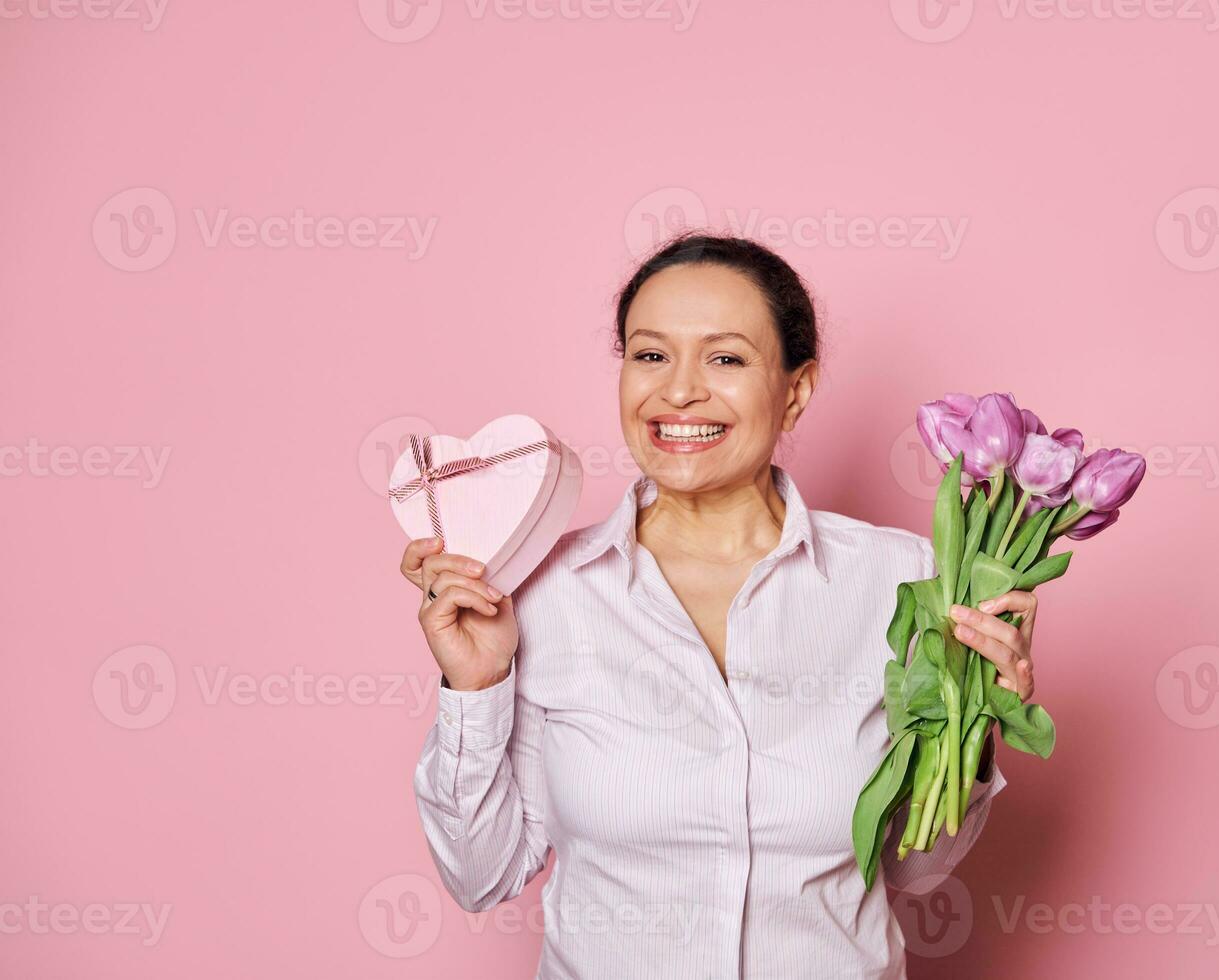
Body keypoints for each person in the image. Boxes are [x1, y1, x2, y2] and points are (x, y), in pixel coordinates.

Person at [401, 233, 1040, 978]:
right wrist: (472, 689)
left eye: (725, 358)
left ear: (794, 391)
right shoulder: (542, 592)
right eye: (649, 356)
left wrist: (976, 719)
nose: (677, 391)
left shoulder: (906, 581)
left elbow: (917, 868)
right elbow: (480, 876)